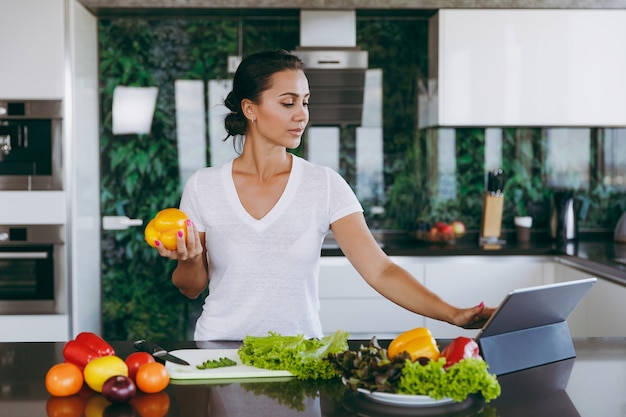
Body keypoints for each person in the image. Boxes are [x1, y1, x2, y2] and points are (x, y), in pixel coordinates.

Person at [154, 49, 494, 341]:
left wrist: (452, 314)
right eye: (288, 103)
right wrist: (189, 258)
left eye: (305, 102)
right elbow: (191, 287)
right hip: (221, 351)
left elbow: (380, 270)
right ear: (250, 109)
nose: (302, 114)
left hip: (299, 355)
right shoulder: (204, 186)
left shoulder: (323, 184)